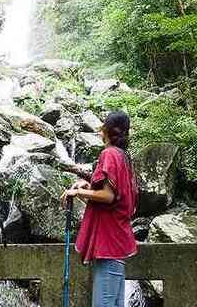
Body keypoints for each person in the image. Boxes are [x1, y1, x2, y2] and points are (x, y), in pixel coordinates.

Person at [61, 111, 138, 307]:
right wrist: (88, 187)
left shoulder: (109, 153)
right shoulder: (123, 156)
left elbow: (108, 196)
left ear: (107, 130)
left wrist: (77, 193)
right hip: (117, 240)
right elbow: (114, 195)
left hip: (109, 242)